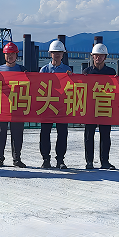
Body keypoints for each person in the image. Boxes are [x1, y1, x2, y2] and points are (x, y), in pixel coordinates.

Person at [0, 42, 28, 168]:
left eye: (12, 54)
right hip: (2, 106)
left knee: (17, 133)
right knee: (0, 132)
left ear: (16, 55)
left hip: (17, 105)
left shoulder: (22, 70)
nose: (10, 56)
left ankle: (17, 158)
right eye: (8, 54)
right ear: (4, 55)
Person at [82, 43, 116, 169]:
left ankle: (105, 161)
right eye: (96, 55)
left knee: (105, 136)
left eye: (101, 55)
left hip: (105, 106)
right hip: (90, 107)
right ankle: (89, 161)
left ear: (105, 57)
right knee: (89, 136)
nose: (98, 57)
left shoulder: (111, 72)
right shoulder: (87, 72)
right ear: (92, 56)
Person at [38, 40, 71, 169]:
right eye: (54, 52)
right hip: (47, 106)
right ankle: (46, 159)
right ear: (50, 54)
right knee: (45, 133)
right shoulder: (44, 70)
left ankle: (60, 159)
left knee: (62, 133)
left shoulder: (67, 70)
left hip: (62, 106)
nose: (57, 55)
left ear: (63, 54)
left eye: (59, 52)